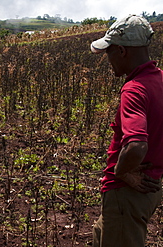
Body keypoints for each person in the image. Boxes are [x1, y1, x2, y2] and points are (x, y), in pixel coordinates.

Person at [90, 14, 163, 247]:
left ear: (122, 51)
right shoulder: (160, 80)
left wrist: (122, 172)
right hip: (147, 190)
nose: (108, 58)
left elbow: (136, 145)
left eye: (109, 51)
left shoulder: (134, 90)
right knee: (100, 236)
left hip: (127, 193)